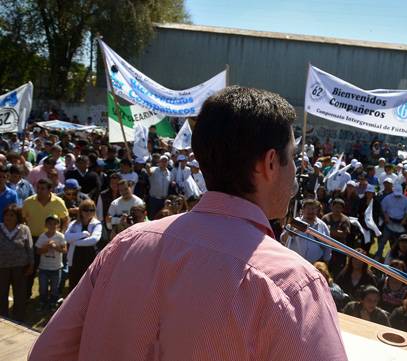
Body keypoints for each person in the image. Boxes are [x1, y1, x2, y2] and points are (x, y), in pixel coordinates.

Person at [30, 87, 347, 360]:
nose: (295, 172)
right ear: (270, 163)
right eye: (292, 157)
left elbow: (46, 354)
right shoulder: (293, 287)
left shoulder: (123, 245)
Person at [22, 178, 69, 299]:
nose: (39, 190)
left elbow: (65, 219)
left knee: (56, 267)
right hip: (33, 239)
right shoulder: (28, 202)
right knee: (31, 267)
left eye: (42, 188)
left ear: (50, 190)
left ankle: (55, 294)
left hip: (54, 239)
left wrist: (60, 235)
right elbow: (23, 219)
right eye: (38, 188)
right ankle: (27, 294)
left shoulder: (58, 202)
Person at [0, 205, 33, 322]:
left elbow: (29, 248)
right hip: (2, 267)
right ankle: (3, 317)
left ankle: (18, 318)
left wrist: (31, 264)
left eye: (12, 215)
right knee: (2, 293)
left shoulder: (24, 229)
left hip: (20, 267)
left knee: (19, 294)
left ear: (17, 217)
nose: (8, 217)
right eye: (6, 215)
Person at [64, 200, 102, 291]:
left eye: (92, 210)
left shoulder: (97, 224)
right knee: (74, 282)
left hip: (90, 256)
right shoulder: (73, 224)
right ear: (80, 211)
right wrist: (83, 234)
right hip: (75, 256)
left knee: (89, 282)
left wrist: (75, 242)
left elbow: (94, 240)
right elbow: (66, 237)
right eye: (86, 210)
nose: (89, 212)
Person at [282, 199, 331, 263]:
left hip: (315, 263)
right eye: (308, 208)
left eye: (313, 208)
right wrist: (292, 233)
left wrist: (326, 260)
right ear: (303, 209)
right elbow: (283, 239)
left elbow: (328, 245)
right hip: (295, 261)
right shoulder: (295, 222)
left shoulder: (323, 225)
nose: (310, 211)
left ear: (317, 210)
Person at [35, 214, 67, 310]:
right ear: (46, 225)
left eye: (55, 224)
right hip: (44, 267)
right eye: (50, 224)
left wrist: (55, 247)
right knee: (43, 288)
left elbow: (64, 250)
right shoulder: (42, 236)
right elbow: (38, 251)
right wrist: (46, 248)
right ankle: (42, 302)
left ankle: (53, 302)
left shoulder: (61, 236)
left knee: (54, 288)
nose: (52, 226)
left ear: (58, 225)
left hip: (56, 267)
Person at [322, 198, 352, 276]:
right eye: (335, 207)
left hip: (339, 248)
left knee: (337, 270)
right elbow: (322, 232)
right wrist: (337, 231)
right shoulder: (325, 218)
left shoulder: (345, 220)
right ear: (332, 207)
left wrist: (330, 230)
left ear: (342, 209)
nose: (337, 209)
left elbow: (345, 234)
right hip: (326, 246)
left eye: (339, 207)